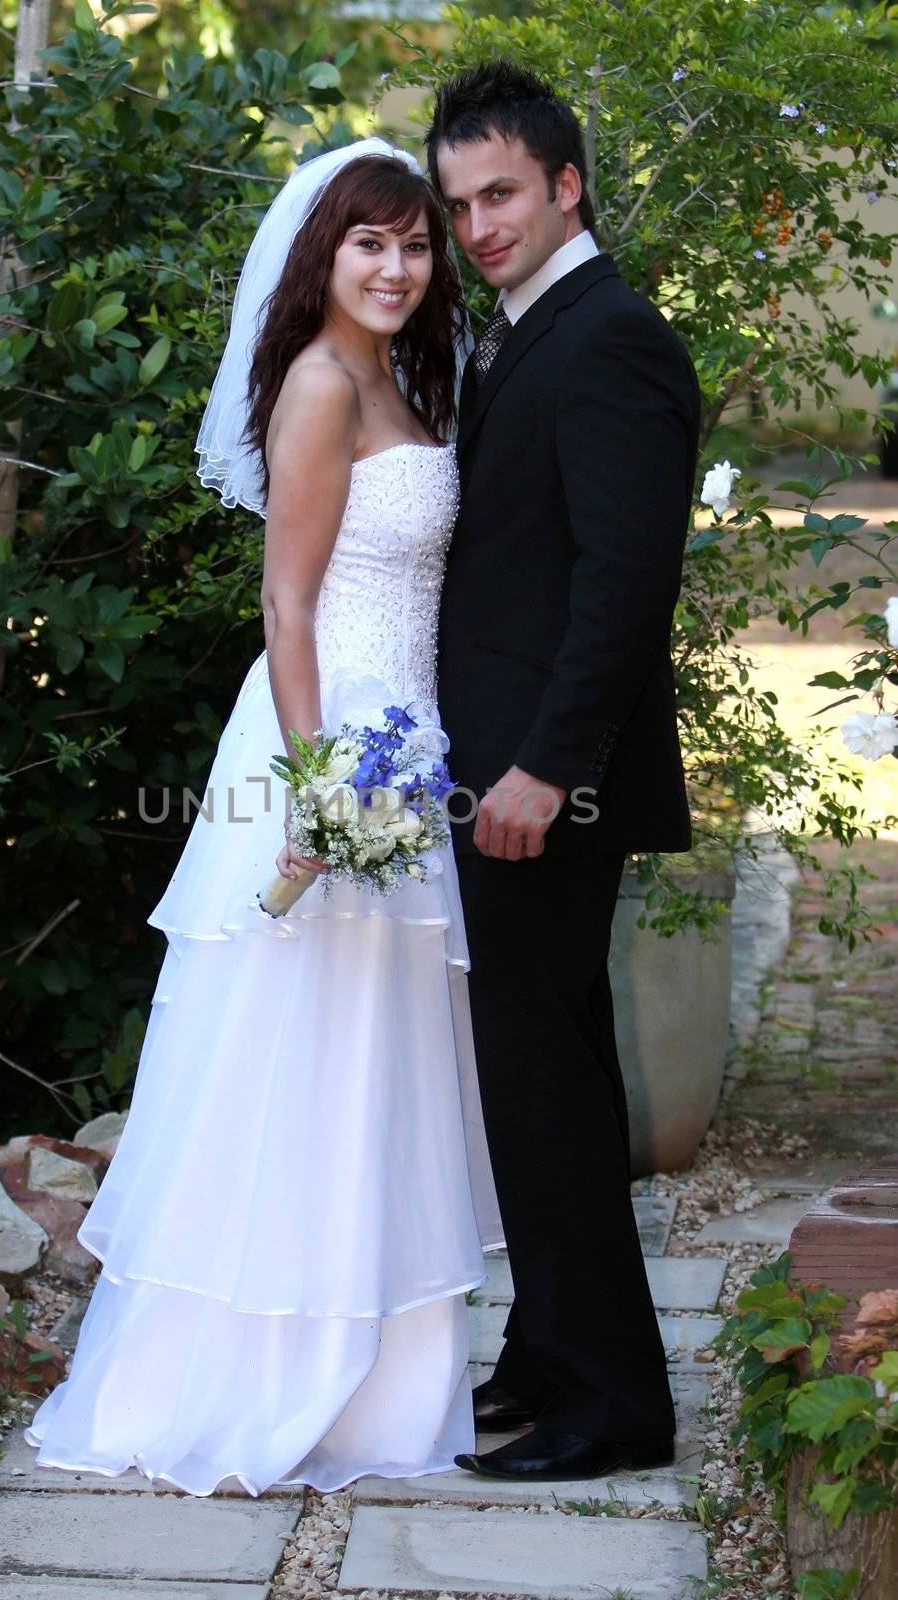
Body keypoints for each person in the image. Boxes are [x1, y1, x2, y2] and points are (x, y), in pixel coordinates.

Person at [23, 138, 503, 1497]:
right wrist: (318, 789)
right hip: (328, 744)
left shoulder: (403, 375)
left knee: (380, 1059)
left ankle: (382, 1389)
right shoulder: (317, 383)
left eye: (417, 244)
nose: (399, 267)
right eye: (372, 244)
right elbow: (286, 604)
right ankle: (259, 1382)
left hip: (404, 741)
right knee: (301, 1055)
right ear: (324, 255)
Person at [426, 62, 702, 1481]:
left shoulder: (613, 340)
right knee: (544, 1083)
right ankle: (552, 1355)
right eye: (459, 199)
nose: (477, 224)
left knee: (546, 1087)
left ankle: (614, 1407)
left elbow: (624, 582)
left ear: (567, 185)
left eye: (503, 195)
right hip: (496, 776)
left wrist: (546, 767)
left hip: (544, 786)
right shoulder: (526, 328)